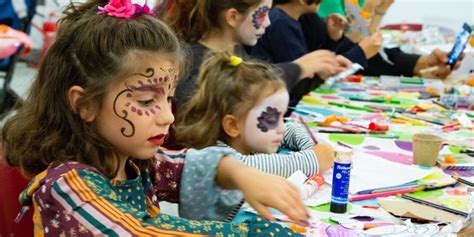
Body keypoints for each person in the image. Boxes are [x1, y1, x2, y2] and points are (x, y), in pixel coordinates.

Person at [1, 0, 310, 235]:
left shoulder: (127, 158)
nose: (167, 118)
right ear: (85, 105)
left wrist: (241, 174)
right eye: (147, 100)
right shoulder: (66, 186)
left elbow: (186, 165)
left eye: (169, 97)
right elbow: (141, 231)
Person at [174, 53, 334, 220]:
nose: (281, 127)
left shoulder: (249, 141)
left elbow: (291, 128)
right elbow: (286, 164)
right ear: (233, 126)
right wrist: (316, 157)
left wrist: (311, 147)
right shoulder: (226, 161)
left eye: (282, 116)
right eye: (272, 119)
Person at [161, 0, 352, 110]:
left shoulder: (235, 51)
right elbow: (242, 91)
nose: (268, 23)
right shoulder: (193, 63)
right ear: (233, 17)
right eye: (263, 14)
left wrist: (316, 74)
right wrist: (299, 67)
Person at [300, 1, 464, 78]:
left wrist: (426, 63)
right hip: (340, 72)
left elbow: (372, 46)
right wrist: (370, 10)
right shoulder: (321, 7)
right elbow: (353, 45)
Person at [250, 0, 382, 72]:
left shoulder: (290, 20)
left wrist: (333, 38)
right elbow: (307, 74)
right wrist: (361, 52)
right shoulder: (280, 23)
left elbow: (311, 62)